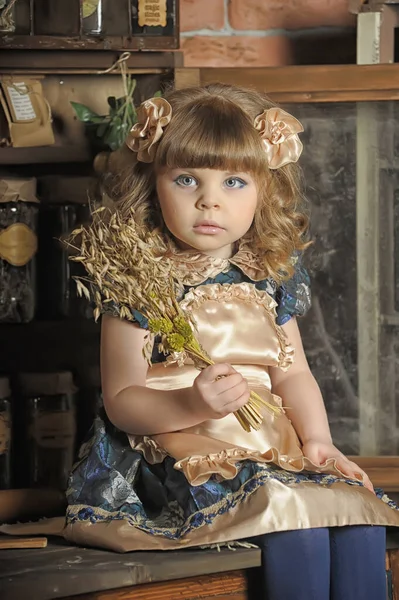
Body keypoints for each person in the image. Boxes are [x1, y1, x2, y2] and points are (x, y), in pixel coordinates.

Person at [61, 84, 399, 598]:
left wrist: (317, 442)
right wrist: (192, 401)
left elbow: (293, 372)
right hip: (182, 450)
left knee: (358, 513)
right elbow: (122, 401)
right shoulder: (137, 275)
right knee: (296, 522)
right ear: (153, 184)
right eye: (187, 178)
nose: (209, 200)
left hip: (271, 444)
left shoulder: (268, 274)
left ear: (266, 189)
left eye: (235, 181)